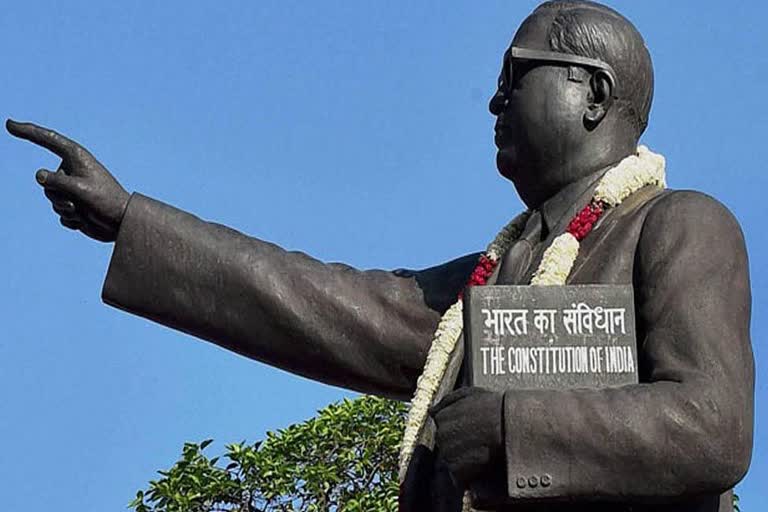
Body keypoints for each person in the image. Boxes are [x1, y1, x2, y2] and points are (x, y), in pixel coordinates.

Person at [7, 1, 753, 511]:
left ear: (591, 92)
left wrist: (513, 428)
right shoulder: (491, 279)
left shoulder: (679, 225)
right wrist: (133, 221)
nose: (495, 102)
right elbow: (317, 302)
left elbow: (714, 424)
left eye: (515, 76)